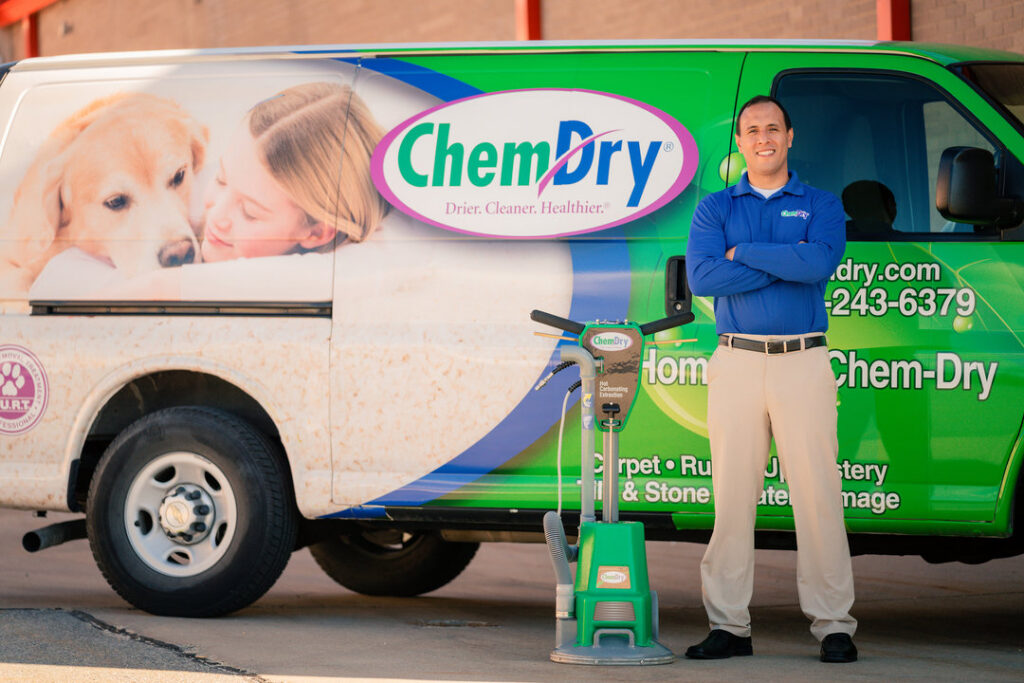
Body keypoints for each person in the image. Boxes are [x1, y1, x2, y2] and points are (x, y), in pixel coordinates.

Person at [683, 95, 857, 663]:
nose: (763, 138)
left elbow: (819, 265)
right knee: (733, 497)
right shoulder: (715, 207)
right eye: (752, 130)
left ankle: (834, 625)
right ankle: (729, 626)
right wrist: (786, 257)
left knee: (817, 496)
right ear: (739, 142)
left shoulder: (821, 203)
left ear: (790, 136)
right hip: (736, 362)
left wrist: (747, 253)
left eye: (773, 129)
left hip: (803, 361)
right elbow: (706, 277)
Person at [29, 81, 390, 300]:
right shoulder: (67, 272)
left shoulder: (354, 272)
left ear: (317, 231)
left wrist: (170, 288)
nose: (215, 217)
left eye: (249, 211)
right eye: (220, 179)